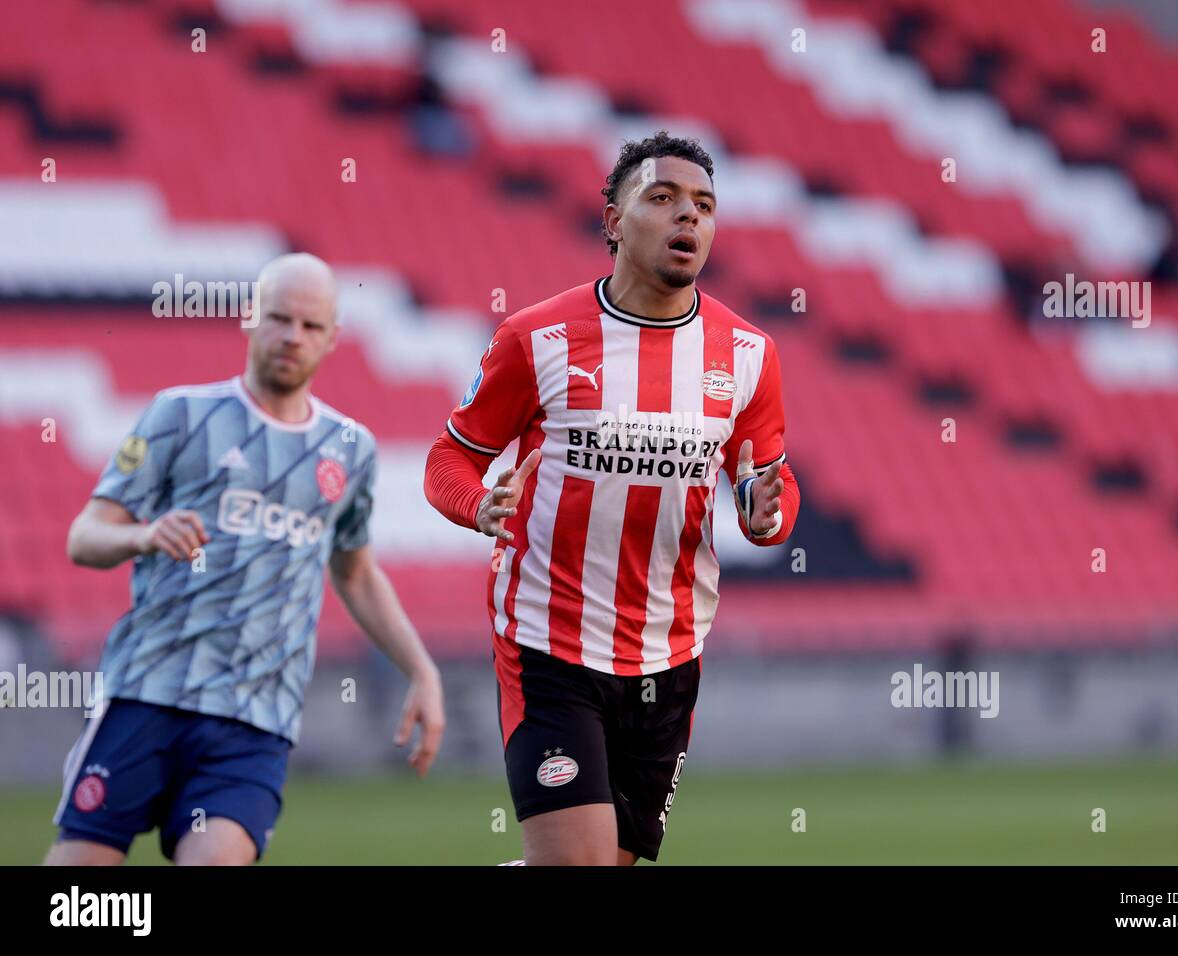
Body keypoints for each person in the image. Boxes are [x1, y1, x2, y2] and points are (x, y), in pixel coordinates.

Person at [425, 132, 800, 865]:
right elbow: (451, 457)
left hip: (669, 651)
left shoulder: (749, 353)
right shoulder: (537, 338)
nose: (686, 217)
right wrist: (479, 507)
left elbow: (769, 480)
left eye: (703, 206)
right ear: (613, 223)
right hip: (549, 641)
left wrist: (767, 509)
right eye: (661, 199)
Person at [46, 253, 445, 865]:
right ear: (251, 319)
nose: (293, 337)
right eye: (280, 319)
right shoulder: (179, 415)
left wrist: (422, 670)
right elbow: (86, 536)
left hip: (254, 721)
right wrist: (144, 536)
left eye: (311, 326)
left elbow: (355, 570)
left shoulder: (349, 448)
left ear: (334, 338)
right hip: (148, 693)